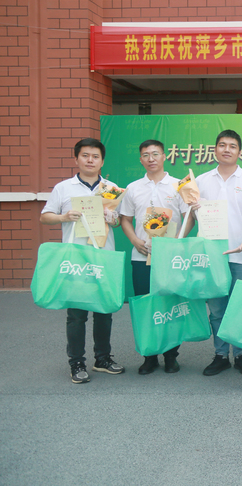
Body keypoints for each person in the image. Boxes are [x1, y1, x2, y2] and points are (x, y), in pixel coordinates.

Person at [40, 138, 125, 383]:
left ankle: (103, 359)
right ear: (76, 159)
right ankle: (76, 362)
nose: (90, 160)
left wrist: (112, 218)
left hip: (103, 256)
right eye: (85, 155)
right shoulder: (63, 188)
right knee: (76, 314)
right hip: (76, 257)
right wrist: (64, 216)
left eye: (95, 156)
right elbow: (45, 217)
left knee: (104, 310)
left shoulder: (111, 188)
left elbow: (118, 222)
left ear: (102, 161)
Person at [119, 139, 190, 375]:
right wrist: (134, 241)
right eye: (146, 155)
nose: (151, 158)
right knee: (145, 306)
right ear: (140, 159)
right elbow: (125, 219)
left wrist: (177, 242)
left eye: (155, 154)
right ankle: (149, 356)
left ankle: (171, 356)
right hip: (142, 256)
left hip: (171, 257)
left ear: (164, 156)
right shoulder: (133, 188)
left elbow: (189, 217)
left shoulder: (179, 185)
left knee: (172, 304)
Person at [195, 130, 242, 376]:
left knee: (240, 305)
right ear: (215, 150)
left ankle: (241, 354)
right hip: (212, 255)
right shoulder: (201, 181)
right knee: (217, 308)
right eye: (222, 145)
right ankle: (221, 354)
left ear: (239, 152)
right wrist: (192, 209)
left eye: (232, 146)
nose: (227, 149)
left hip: (241, 254)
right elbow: (190, 217)